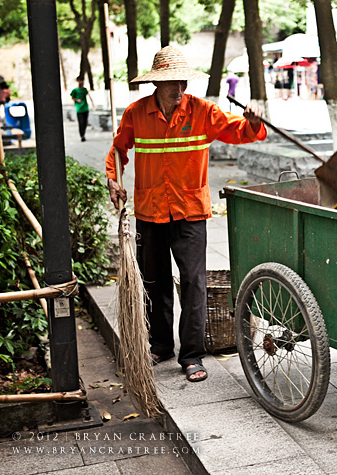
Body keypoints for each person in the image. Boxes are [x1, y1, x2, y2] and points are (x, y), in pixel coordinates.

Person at [105, 46, 267, 383]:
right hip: (149, 211)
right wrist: (112, 178)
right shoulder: (136, 113)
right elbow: (119, 149)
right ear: (156, 85)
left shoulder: (202, 111)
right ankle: (160, 344)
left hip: (190, 211)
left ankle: (191, 354)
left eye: (181, 81)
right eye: (170, 83)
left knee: (194, 282)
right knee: (155, 281)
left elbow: (239, 131)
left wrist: (252, 122)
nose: (177, 89)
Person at [70, 77, 94, 141]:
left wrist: (93, 104)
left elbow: (89, 96)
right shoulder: (75, 90)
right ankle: (82, 136)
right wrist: (77, 100)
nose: (81, 82)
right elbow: (72, 98)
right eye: (79, 81)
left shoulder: (85, 90)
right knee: (81, 122)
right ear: (77, 81)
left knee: (85, 122)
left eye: (82, 80)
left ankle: (83, 133)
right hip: (79, 109)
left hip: (85, 108)